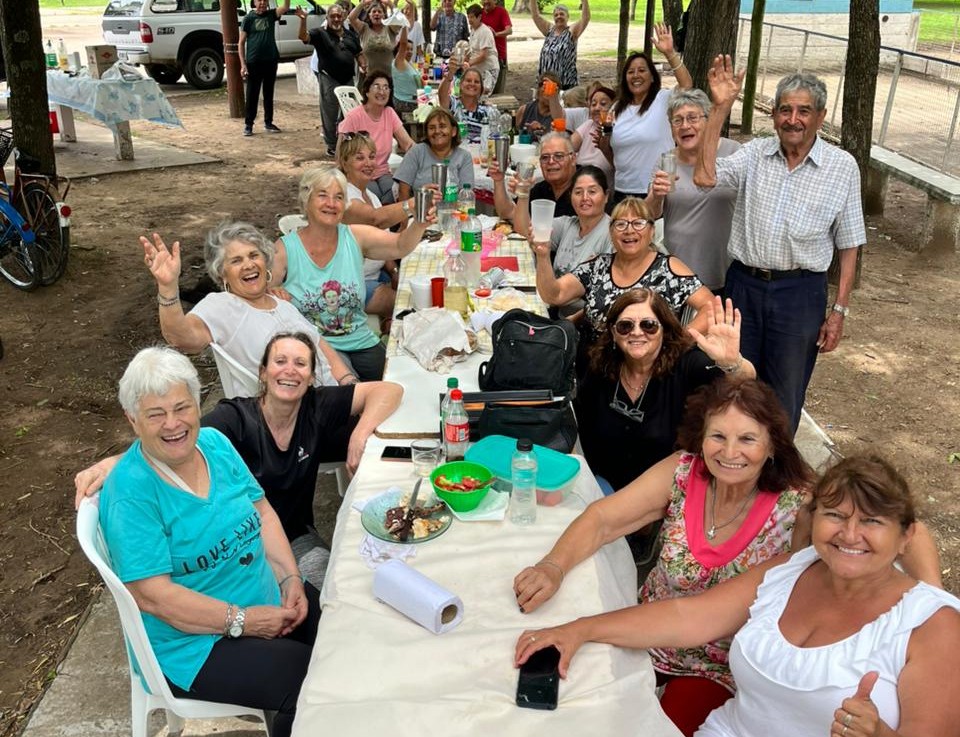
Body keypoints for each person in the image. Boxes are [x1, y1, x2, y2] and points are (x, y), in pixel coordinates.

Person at [515, 452, 956, 737]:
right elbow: (689, 617)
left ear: (906, 537)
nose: (850, 534)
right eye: (836, 515)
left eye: (872, 521)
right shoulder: (794, 568)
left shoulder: (933, 626)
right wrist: (578, 629)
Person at [90, 346, 319, 737]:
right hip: (194, 645)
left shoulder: (214, 444)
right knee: (312, 685)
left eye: (182, 407)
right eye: (155, 414)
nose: (173, 424)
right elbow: (154, 597)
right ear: (132, 420)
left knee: (346, 633)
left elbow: (263, 513)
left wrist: (290, 578)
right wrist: (246, 621)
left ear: (197, 406)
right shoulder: (131, 494)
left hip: (266, 599)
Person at [75, 334, 403, 589]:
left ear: (310, 377)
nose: (290, 370)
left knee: (344, 588)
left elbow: (389, 391)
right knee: (323, 599)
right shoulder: (235, 418)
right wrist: (113, 462)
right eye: (280, 361)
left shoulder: (316, 405)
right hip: (240, 543)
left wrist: (360, 433)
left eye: (301, 363)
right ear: (263, 372)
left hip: (296, 537)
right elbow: (176, 435)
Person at [695, 57, 866, 432]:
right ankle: (734, 458)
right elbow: (705, 176)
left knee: (784, 395)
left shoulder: (842, 167)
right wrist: (720, 108)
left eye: (804, 111)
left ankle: (776, 465)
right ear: (773, 116)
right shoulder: (755, 154)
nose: (793, 119)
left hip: (800, 294)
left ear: (821, 117)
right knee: (733, 384)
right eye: (785, 110)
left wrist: (839, 310)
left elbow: (850, 243)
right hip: (744, 286)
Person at [574, 290, 756, 495]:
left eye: (648, 325)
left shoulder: (687, 364)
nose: (636, 332)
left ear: (665, 330)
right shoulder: (601, 367)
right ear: (614, 333)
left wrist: (732, 363)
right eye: (625, 326)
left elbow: (743, 384)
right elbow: (583, 426)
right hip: (606, 487)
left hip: (669, 491)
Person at [140, 221, 355, 394]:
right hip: (297, 413)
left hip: (334, 397)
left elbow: (320, 345)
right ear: (222, 273)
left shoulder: (283, 305)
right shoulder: (222, 305)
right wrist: (168, 288)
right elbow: (181, 337)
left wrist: (349, 382)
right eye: (236, 261)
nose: (248, 265)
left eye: (254, 255)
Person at [272, 165, 433, 381]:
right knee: (352, 390)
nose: (331, 203)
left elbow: (400, 245)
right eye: (322, 195)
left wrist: (420, 224)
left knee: (404, 380)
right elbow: (261, 297)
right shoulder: (285, 249)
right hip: (317, 348)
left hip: (361, 340)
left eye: (339, 197)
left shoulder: (354, 237)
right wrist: (274, 293)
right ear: (306, 199)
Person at [533, 196, 713, 348]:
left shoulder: (669, 268)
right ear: (611, 233)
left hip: (650, 367)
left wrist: (679, 343)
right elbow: (554, 295)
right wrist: (542, 256)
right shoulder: (598, 266)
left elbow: (710, 306)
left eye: (638, 223)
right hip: (594, 363)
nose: (629, 230)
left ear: (651, 231)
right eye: (620, 224)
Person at [645, 88, 740, 296]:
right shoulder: (666, 161)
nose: (685, 126)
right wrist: (656, 195)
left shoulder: (734, 153)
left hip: (728, 271)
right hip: (679, 272)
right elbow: (650, 215)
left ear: (708, 120)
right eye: (677, 120)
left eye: (692, 118)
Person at [512, 165, 612, 318]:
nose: (585, 198)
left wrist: (571, 322)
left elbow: (609, 299)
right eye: (578, 192)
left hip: (584, 322)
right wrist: (524, 194)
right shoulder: (568, 224)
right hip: (555, 309)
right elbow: (525, 229)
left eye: (592, 192)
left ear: (606, 196)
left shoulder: (612, 233)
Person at [606, 27, 691, 203]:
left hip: (657, 189)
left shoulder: (663, 99)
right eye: (630, 72)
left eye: (642, 70)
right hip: (623, 191)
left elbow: (686, 85)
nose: (636, 75)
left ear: (652, 77)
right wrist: (604, 134)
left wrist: (670, 53)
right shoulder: (616, 108)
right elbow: (611, 150)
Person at [337, 132, 412, 328]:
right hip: (353, 284)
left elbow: (382, 241)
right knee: (409, 303)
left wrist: (394, 270)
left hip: (377, 275)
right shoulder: (343, 197)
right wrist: (415, 204)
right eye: (359, 158)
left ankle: (387, 325)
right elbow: (376, 219)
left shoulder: (371, 195)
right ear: (344, 163)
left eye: (371, 156)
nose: (368, 163)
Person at [337, 70, 415, 204]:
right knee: (376, 197)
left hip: (382, 172)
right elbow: (340, 155)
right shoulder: (354, 117)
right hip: (360, 173)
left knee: (400, 191)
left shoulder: (389, 113)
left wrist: (424, 155)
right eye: (377, 86)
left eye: (386, 87)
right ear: (367, 92)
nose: (382, 91)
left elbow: (408, 144)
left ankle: (384, 211)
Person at [298, 4, 361, 158]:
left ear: (344, 17)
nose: (336, 19)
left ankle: (345, 140)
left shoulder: (350, 35)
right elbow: (303, 37)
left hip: (348, 79)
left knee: (350, 112)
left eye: (339, 16)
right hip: (329, 78)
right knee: (329, 113)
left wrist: (364, 63)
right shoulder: (320, 33)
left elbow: (358, 53)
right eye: (332, 16)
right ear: (327, 17)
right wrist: (303, 20)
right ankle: (332, 145)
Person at [489, 131, 579, 221]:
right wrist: (498, 180)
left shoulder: (583, 188)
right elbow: (508, 213)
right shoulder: (542, 189)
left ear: (573, 159)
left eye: (559, 156)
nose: (551, 161)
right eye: (545, 157)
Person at [395, 107, 474, 199]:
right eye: (432, 128)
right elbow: (403, 190)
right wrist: (421, 197)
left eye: (442, 126)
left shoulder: (464, 157)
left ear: (453, 131)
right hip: (419, 206)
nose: (437, 131)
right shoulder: (416, 152)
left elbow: (466, 194)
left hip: (453, 207)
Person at [239, 0, 291, 137]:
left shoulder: (271, 15)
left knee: (269, 92)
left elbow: (286, 7)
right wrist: (243, 64)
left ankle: (268, 122)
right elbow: (241, 42)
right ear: (254, 2)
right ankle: (248, 124)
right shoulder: (249, 18)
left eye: (265, 0)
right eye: (259, 0)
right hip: (254, 61)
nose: (262, 3)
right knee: (252, 94)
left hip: (270, 59)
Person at [530, 0, 590, 91]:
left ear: (567, 17)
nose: (559, 17)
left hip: (566, 84)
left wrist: (584, 1)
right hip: (546, 83)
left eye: (562, 14)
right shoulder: (549, 30)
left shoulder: (571, 31)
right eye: (556, 15)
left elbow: (585, 18)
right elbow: (535, 16)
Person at [439, 65, 496, 144]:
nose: (472, 84)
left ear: (481, 88)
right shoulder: (454, 103)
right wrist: (450, 74)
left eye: (476, 82)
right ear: (460, 84)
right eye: (468, 81)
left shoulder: (487, 111)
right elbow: (442, 95)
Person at [571, 84, 615, 182]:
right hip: (580, 179)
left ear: (613, 107)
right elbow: (568, 147)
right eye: (593, 104)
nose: (597, 108)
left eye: (603, 104)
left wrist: (604, 147)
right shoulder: (589, 124)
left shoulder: (618, 130)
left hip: (602, 185)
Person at [348, 0, 399, 80]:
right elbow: (351, 18)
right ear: (369, 15)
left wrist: (390, 4)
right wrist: (363, 3)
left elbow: (399, 18)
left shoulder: (390, 28)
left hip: (388, 77)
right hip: (368, 77)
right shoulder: (364, 28)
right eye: (374, 11)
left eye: (379, 12)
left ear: (384, 15)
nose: (377, 14)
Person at [515, 72, 565, 139]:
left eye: (553, 91)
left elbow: (560, 136)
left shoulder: (559, 113)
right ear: (539, 90)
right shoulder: (524, 110)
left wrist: (542, 131)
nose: (548, 96)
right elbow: (516, 135)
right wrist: (526, 131)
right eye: (546, 89)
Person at [464, 3, 500, 95]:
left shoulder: (484, 31)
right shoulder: (473, 30)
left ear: (479, 17)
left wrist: (468, 63)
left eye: (472, 17)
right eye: (468, 17)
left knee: (482, 96)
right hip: (478, 70)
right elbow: (472, 50)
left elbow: (483, 56)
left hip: (488, 70)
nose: (470, 20)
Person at [479, 0, 511, 94]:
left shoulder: (502, 12)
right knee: (483, 91)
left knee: (497, 92)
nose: (486, 1)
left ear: (495, 1)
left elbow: (509, 30)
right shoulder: (479, 13)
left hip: (498, 58)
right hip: (483, 58)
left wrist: (495, 34)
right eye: (483, 0)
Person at [391, 28, 420, 115]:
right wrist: (405, 25)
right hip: (405, 103)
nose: (410, 52)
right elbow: (403, 43)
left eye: (411, 49)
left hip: (413, 100)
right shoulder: (399, 61)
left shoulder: (408, 63)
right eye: (407, 49)